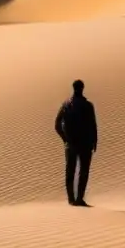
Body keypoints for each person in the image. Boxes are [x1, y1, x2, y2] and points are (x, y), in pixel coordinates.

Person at [55, 79, 98, 207]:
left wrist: (65, 139)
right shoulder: (88, 105)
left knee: (70, 171)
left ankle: (72, 199)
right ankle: (78, 199)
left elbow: (57, 125)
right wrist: (94, 141)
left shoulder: (65, 104)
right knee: (83, 172)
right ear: (82, 88)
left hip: (71, 144)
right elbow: (93, 125)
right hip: (84, 144)